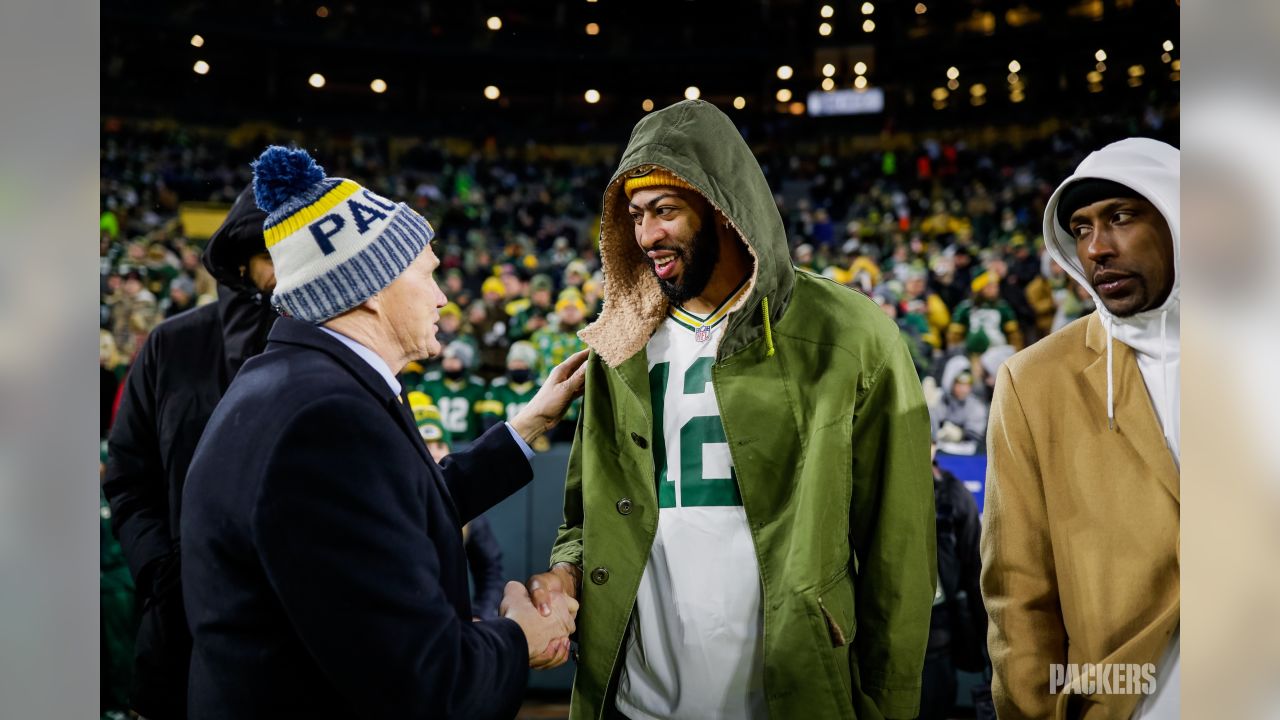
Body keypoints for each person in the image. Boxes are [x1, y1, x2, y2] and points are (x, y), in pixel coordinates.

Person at [528, 100, 935, 719]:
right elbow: (585, 520)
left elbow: (897, 547)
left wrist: (890, 704)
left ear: (723, 211)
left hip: (789, 696)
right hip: (639, 699)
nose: (646, 236)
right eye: (635, 216)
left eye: (665, 210)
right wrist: (564, 577)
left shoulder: (852, 334)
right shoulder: (618, 341)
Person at [181, 146, 586, 719]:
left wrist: (526, 425)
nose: (444, 297)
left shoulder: (293, 382)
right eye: (427, 274)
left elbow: (390, 510)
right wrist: (518, 637)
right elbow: (425, 684)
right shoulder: (325, 420)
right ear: (371, 289)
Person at [981, 138, 1180, 718]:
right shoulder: (1035, 381)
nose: (1097, 248)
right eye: (1081, 227)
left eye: (1120, 217)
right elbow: (1018, 592)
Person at [102, 184, 279, 719]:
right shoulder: (170, 345)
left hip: (301, 633)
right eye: (273, 253)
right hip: (181, 630)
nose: (291, 268)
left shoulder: (346, 347)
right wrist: (164, 571)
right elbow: (128, 477)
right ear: (241, 263)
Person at [409, 393, 506, 621]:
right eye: (426, 444)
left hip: (453, 625)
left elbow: (490, 568)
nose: (434, 452)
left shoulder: (463, 504)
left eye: (440, 444)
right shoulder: (401, 498)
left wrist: (482, 614)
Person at [919, 439, 988, 720]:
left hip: (939, 631)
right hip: (890, 633)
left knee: (935, 701)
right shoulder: (882, 490)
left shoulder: (953, 494)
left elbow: (974, 566)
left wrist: (985, 636)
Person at [415, 340, 489, 444]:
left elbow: (482, 420)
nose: (449, 363)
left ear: (465, 362)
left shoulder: (476, 386)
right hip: (436, 440)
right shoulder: (431, 382)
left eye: (454, 359)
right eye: (446, 358)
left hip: (466, 441)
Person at [479, 341, 540, 433]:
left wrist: (544, 437)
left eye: (521, 361)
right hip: (505, 439)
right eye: (514, 361)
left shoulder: (540, 388)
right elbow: (490, 417)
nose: (517, 365)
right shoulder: (498, 387)